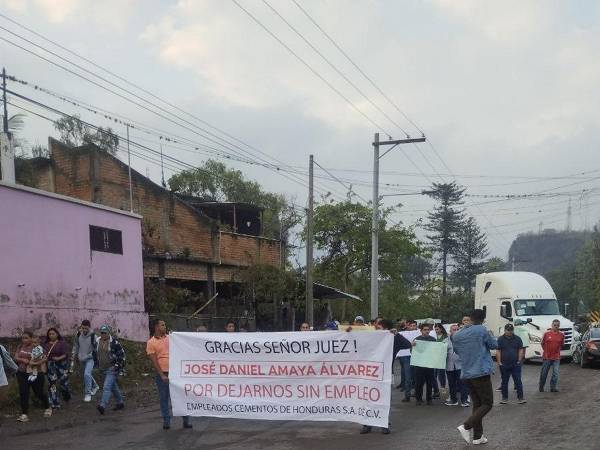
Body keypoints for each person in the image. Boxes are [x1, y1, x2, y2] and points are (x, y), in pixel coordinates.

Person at [452, 309, 497, 445]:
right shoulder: (481, 330)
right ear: (482, 319)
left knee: (477, 404)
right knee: (488, 403)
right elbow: (494, 345)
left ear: (470, 318)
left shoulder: (457, 334)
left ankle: (478, 437)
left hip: (466, 373)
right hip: (480, 372)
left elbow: (457, 351)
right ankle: (466, 426)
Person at [147, 319, 192, 430]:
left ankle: (186, 420)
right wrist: (162, 375)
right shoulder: (151, 342)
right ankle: (166, 421)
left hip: (176, 372)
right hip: (163, 373)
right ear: (157, 327)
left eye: (165, 325)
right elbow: (154, 361)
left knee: (181, 396)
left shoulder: (170, 338)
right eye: (162, 325)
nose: (165, 327)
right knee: (164, 398)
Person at [360, 319, 398, 435]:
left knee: (385, 400)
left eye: (379, 327)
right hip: (368, 375)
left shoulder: (392, 339)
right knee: (367, 399)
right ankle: (367, 424)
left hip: (385, 376)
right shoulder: (368, 339)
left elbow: (407, 345)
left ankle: (384, 424)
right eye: (375, 327)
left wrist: (395, 335)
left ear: (386, 329)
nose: (376, 329)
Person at [14, 331, 52, 421]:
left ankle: (47, 407)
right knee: (23, 393)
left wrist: (34, 363)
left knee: (38, 392)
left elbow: (45, 358)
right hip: (22, 373)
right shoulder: (20, 346)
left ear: (31, 338)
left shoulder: (36, 347)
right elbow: (15, 357)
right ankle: (24, 414)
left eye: (26, 338)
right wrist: (23, 360)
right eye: (23, 338)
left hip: (35, 373)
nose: (24, 340)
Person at [96, 325, 126, 415]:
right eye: (101, 332)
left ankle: (102, 405)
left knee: (106, 387)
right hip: (102, 368)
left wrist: (117, 366)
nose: (103, 334)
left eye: (105, 332)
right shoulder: (97, 341)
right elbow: (94, 353)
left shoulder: (114, 343)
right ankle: (120, 403)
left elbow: (122, 355)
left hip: (112, 368)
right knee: (113, 387)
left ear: (108, 333)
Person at [496, 323, 526, 404]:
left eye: (511, 330)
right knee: (504, 381)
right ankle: (504, 398)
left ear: (513, 330)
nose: (509, 332)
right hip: (504, 364)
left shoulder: (517, 339)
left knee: (518, 381)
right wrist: (499, 362)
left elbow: (520, 349)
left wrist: (519, 360)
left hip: (515, 364)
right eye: (507, 330)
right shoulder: (500, 339)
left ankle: (521, 398)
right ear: (505, 330)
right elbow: (498, 350)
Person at [72, 320, 99, 402]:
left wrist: (90, 356)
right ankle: (95, 386)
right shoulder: (78, 334)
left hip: (90, 359)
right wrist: (74, 355)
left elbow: (96, 349)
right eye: (83, 328)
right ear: (81, 327)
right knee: (87, 374)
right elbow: (76, 345)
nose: (84, 330)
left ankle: (88, 394)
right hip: (81, 358)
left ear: (89, 327)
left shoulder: (93, 336)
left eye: (86, 328)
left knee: (87, 374)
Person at [44, 327, 71, 410]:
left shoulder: (62, 343)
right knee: (52, 384)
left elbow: (65, 354)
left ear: (57, 334)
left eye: (53, 334)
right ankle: (55, 403)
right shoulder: (46, 344)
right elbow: (44, 354)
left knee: (64, 383)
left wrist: (59, 358)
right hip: (51, 365)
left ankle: (66, 396)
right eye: (50, 334)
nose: (51, 335)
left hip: (62, 365)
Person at [412, 323, 437, 406]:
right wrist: (413, 346)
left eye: (428, 330)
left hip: (429, 364)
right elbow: (411, 352)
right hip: (419, 365)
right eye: (425, 330)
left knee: (429, 383)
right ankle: (418, 399)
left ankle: (429, 399)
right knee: (419, 383)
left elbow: (436, 351)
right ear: (421, 331)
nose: (427, 331)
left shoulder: (433, 339)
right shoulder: (416, 340)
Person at [445, 324, 470, 407]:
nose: (455, 331)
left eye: (457, 329)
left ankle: (464, 401)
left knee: (462, 383)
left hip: (460, 365)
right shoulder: (445, 341)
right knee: (451, 384)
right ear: (450, 331)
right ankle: (453, 400)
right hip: (449, 366)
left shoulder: (463, 340)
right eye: (454, 330)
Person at [539, 319, 564, 393]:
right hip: (547, 357)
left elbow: (562, 345)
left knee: (555, 374)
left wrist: (557, 351)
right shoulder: (546, 334)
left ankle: (553, 387)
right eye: (555, 325)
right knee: (544, 373)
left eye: (557, 325)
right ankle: (541, 386)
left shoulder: (561, 335)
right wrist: (546, 351)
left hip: (556, 357)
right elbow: (542, 343)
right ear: (552, 325)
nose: (556, 327)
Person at [433, 323, 448, 399]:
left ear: (441, 329)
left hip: (442, 358)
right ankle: (435, 389)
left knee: (441, 374)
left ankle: (443, 387)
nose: (436, 330)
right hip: (435, 358)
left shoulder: (445, 336)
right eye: (435, 329)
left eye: (437, 329)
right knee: (434, 374)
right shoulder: (433, 336)